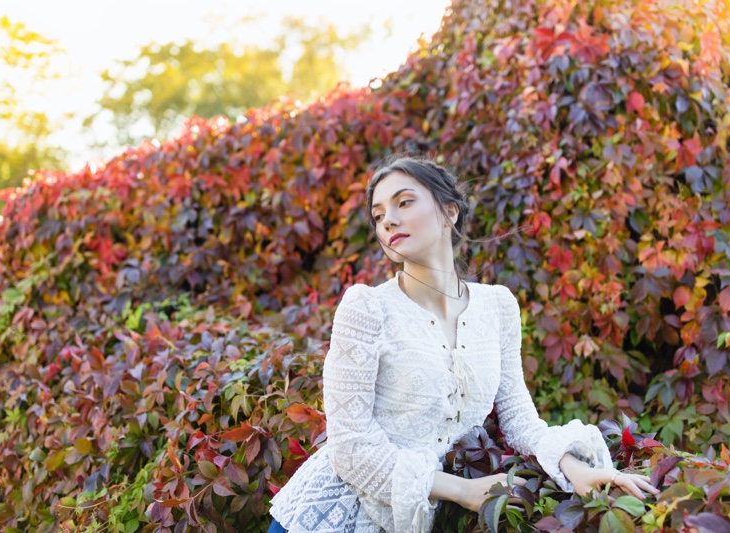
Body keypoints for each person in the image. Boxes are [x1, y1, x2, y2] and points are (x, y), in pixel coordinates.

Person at [268, 157, 659, 533]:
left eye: (404, 202)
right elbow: (349, 446)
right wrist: (461, 490)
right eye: (378, 214)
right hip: (333, 515)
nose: (388, 219)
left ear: (449, 212)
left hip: (426, 517)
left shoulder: (498, 305)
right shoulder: (367, 307)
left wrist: (577, 468)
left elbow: (519, 418)